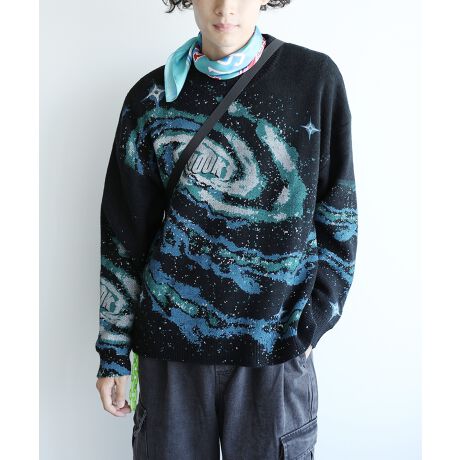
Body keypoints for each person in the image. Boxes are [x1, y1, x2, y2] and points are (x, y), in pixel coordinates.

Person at [95, 0, 358, 458]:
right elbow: (123, 236)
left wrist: (311, 325)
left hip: (274, 350)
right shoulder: (151, 98)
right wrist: (114, 351)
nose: (225, 7)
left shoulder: (314, 79)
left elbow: (339, 213)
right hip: (170, 351)